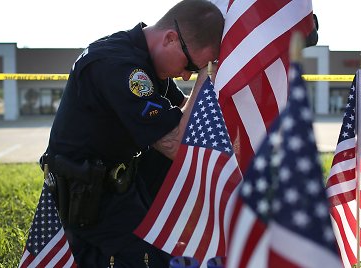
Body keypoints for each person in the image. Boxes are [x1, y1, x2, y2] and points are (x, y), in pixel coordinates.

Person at [41, 0, 224, 267]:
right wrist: (206, 79)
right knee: (148, 258)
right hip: (87, 196)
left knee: (162, 249)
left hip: (112, 185)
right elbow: (174, 143)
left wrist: (204, 78)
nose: (187, 76)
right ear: (171, 38)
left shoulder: (144, 60)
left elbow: (177, 114)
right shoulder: (120, 66)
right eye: (191, 66)